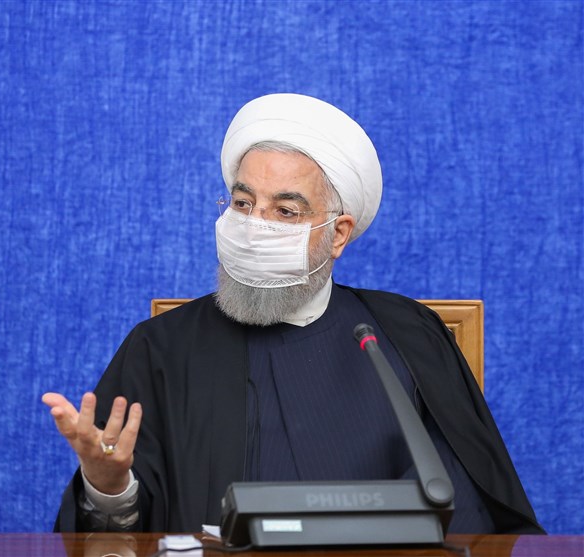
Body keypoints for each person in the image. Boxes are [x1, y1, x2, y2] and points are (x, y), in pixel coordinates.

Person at [43, 93, 543, 535]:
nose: (253, 226)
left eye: (285, 211)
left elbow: (464, 516)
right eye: (242, 203)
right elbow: (117, 534)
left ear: (338, 233)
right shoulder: (161, 347)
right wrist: (109, 487)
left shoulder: (404, 336)